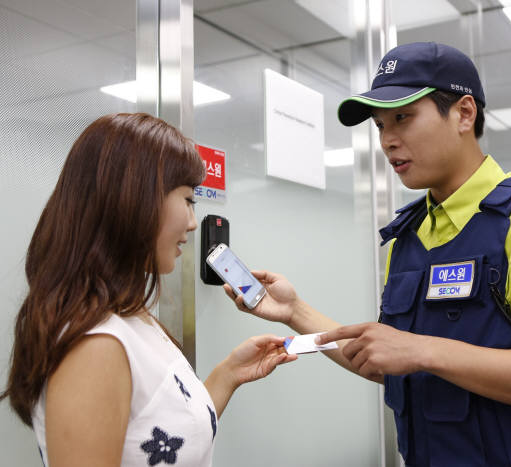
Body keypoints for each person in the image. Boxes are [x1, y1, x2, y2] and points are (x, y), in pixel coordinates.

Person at [227, 42, 511, 466]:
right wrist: (294, 310)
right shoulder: (408, 236)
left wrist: (422, 349)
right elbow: (388, 360)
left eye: (403, 118)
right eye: (379, 126)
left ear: (464, 113)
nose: (388, 141)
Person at [1, 113, 296, 466]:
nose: (191, 223)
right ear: (132, 200)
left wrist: (229, 373)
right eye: (187, 200)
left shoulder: (130, 316)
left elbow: (166, 442)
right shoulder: (95, 347)